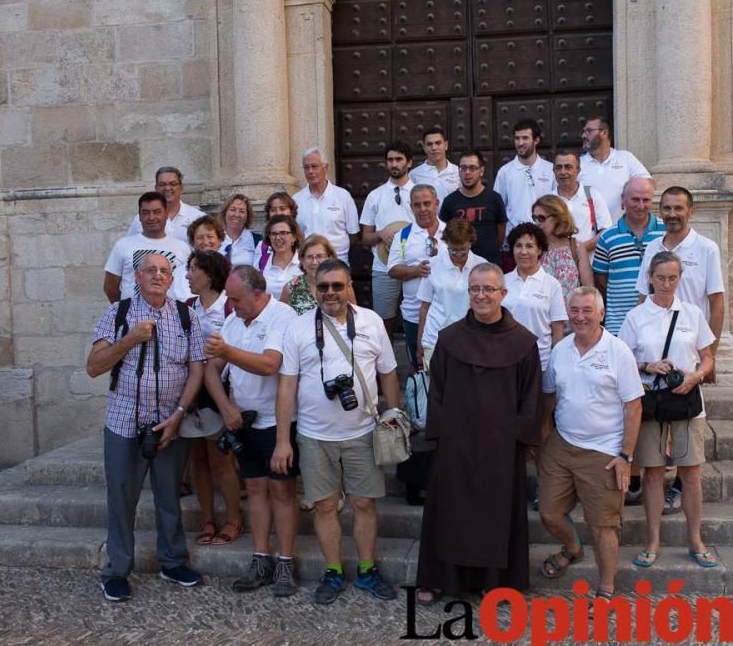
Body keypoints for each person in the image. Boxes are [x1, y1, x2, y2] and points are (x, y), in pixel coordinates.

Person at [273, 258, 402, 605]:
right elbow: (286, 386)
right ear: (314, 289)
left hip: (363, 432)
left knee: (364, 503)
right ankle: (333, 570)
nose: (330, 293)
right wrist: (283, 440)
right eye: (323, 286)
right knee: (325, 506)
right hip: (315, 436)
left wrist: (394, 414)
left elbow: (388, 371)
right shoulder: (298, 329)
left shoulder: (372, 322)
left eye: (337, 286)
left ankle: (366, 568)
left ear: (350, 287)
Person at [415, 263, 542, 603]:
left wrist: (522, 438)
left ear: (503, 293)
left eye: (488, 289)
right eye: (475, 289)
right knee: (451, 514)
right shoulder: (450, 338)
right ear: (468, 293)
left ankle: (495, 582)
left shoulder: (523, 343)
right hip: (456, 446)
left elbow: (530, 395)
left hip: (502, 448)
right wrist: (439, 435)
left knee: (496, 517)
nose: (481, 295)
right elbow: (437, 391)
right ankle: (444, 580)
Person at [86, 253, 206, 602]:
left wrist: (180, 413)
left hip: (171, 422)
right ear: (137, 277)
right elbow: (93, 366)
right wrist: (130, 340)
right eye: (150, 270)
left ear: (172, 279)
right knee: (122, 498)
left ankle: (173, 561)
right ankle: (117, 570)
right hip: (125, 423)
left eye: (164, 271)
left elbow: (197, 368)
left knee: (169, 497)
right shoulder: (118, 314)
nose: (157, 276)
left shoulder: (186, 315)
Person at [538, 287, 643, 599]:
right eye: (575, 310)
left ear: (601, 314)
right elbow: (549, 395)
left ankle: (606, 587)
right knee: (548, 513)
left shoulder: (618, 351)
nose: (580, 317)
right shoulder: (560, 349)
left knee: (603, 526)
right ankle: (572, 547)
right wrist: (545, 435)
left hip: (604, 450)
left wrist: (626, 454)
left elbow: (634, 406)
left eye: (587, 310)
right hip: (563, 443)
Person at [204, 266, 301, 596]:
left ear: (258, 295)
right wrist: (225, 408)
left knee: (282, 492)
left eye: (236, 299)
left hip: (278, 422)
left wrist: (228, 352)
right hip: (244, 421)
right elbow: (210, 372)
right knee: (256, 490)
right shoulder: (233, 322)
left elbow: (269, 364)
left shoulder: (281, 316)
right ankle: (261, 558)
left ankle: (285, 562)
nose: (230, 305)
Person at [620, 251, 716, 569]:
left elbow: (708, 357)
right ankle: (652, 541)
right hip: (652, 402)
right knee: (653, 475)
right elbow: (623, 363)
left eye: (672, 278)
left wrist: (696, 376)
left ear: (679, 278)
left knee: (691, 474)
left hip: (687, 401)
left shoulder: (692, 313)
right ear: (650, 277)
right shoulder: (636, 317)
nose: (665, 284)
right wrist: (649, 365)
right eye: (660, 277)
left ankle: (695, 540)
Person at [635, 186, 725, 514]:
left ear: (692, 211)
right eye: (667, 208)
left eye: (679, 208)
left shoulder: (706, 249)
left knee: (688, 421)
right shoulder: (652, 248)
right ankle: (661, 481)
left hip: (690, 350)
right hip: (656, 356)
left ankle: (678, 485)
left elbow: (716, 302)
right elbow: (642, 299)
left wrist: (710, 356)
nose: (672, 214)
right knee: (659, 419)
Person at [183, 250, 243, 546]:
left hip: (221, 388)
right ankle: (207, 519)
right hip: (193, 389)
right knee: (199, 460)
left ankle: (234, 519)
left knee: (221, 460)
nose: (188, 275)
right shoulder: (187, 307)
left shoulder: (229, 307)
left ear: (209, 273)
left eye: (194, 269)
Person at [591, 177, 664, 336]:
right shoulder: (607, 237)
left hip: (659, 324)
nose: (641, 205)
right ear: (623, 200)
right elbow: (601, 281)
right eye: (635, 199)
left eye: (646, 200)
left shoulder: (665, 233)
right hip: (619, 325)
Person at [360, 141, 416, 335]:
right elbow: (365, 238)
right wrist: (380, 234)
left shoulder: (421, 194)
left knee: (418, 315)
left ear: (409, 163)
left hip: (415, 266)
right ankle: (387, 361)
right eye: (390, 160)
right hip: (383, 267)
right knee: (384, 319)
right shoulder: (374, 196)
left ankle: (418, 361)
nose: (394, 164)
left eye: (399, 159)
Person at [416, 218, 487, 371]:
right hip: (435, 338)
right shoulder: (433, 265)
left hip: (471, 340)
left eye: (463, 249)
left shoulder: (482, 266)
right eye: (453, 250)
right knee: (435, 390)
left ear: (470, 243)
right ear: (446, 243)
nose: (459, 255)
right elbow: (424, 307)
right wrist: (420, 342)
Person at [388, 184, 447, 368]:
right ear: (411, 206)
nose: (422, 209)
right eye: (417, 204)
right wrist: (416, 271)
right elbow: (392, 269)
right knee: (418, 364)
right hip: (413, 312)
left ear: (436, 203)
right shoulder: (403, 235)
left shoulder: (450, 232)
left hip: (446, 312)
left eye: (427, 203)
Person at [104, 192, 192, 303]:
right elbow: (110, 287)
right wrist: (123, 311)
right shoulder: (122, 245)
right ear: (139, 217)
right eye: (145, 213)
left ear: (166, 214)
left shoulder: (182, 248)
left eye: (157, 212)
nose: (151, 217)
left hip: (172, 317)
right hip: (132, 318)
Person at [502, 222, 567, 371]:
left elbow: (557, 331)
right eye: (518, 246)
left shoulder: (552, 284)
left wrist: (556, 365)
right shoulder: (502, 282)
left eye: (529, 246)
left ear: (539, 250)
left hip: (540, 364)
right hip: (504, 361)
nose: (523, 251)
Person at [493, 118, 555, 268]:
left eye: (525, 138)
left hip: (545, 243)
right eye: (517, 138)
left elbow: (556, 207)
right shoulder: (505, 172)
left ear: (536, 140)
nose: (520, 143)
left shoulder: (550, 169)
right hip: (514, 245)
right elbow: (498, 210)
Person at [553, 150, 613, 285]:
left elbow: (606, 230)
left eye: (568, 167)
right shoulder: (548, 200)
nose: (563, 172)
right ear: (554, 171)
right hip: (558, 269)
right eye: (559, 167)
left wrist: (581, 249)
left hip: (591, 265)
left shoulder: (592, 194)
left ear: (578, 170)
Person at [293, 147, 360, 265]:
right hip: (308, 265)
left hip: (337, 263)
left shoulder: (343, 196)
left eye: (314, 166)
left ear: (326, 167)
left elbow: (353, 234)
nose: (310, 171)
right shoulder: (296, 199)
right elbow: (295, 234)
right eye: (306, 167)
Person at [439, 150, 507, 265]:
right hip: (460, 265)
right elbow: (443, 233)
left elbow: (501, 231)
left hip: (490, 264)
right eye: (463, 168)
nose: (467, 172)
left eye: (472, 168)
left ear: (481, 170)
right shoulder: (449, 201)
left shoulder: (494, 198)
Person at [578, 117, 651, 221]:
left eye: (588, 131)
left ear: (604, 133)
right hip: (590, 233)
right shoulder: (578, 164)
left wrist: (627, 194)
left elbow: (648, 182)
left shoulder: (625, 158)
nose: (583, 135)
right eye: (583, 132)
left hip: (621, 231)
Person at [281, 235, 358, 316]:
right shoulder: (291, 287)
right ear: (302, 260)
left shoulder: (341, 285)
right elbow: (281, 318)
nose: (314, 262)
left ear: (330, 257)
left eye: (320, 256)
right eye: (309, 257)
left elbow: (355, 315)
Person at [126, 166, 205, 244]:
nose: (167, 188)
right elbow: (128, 246)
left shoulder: (198, 217)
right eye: (162, 184)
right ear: (156, 188)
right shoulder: (141, 220)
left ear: (181, 187)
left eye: (173, 184)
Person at [533, 195, 582, 300]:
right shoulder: (533, 248)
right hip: (542, 314)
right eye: (535, 218)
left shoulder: (576, 247)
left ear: (557, 218)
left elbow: (588, 289)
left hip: (571, 314)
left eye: (541, 218)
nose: (537, 223)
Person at [409, 126, 460, 200]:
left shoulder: (458, 172)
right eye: (429, 144)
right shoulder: (414, 175)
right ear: (424, 147)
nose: (434, 148)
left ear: (446, 145)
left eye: (438, 143)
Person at [259, 214, 303, 299]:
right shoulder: (261, 262)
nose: (278, 238)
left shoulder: (303, 263)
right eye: (274, 234)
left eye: (283, 233)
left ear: (294, 237)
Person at [220, 194, 260, 266]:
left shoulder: (257, 241)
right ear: (225, 212)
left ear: (247, 216)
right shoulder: (215, 238)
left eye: (242, 211)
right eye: (232, 210)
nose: (236, 215)